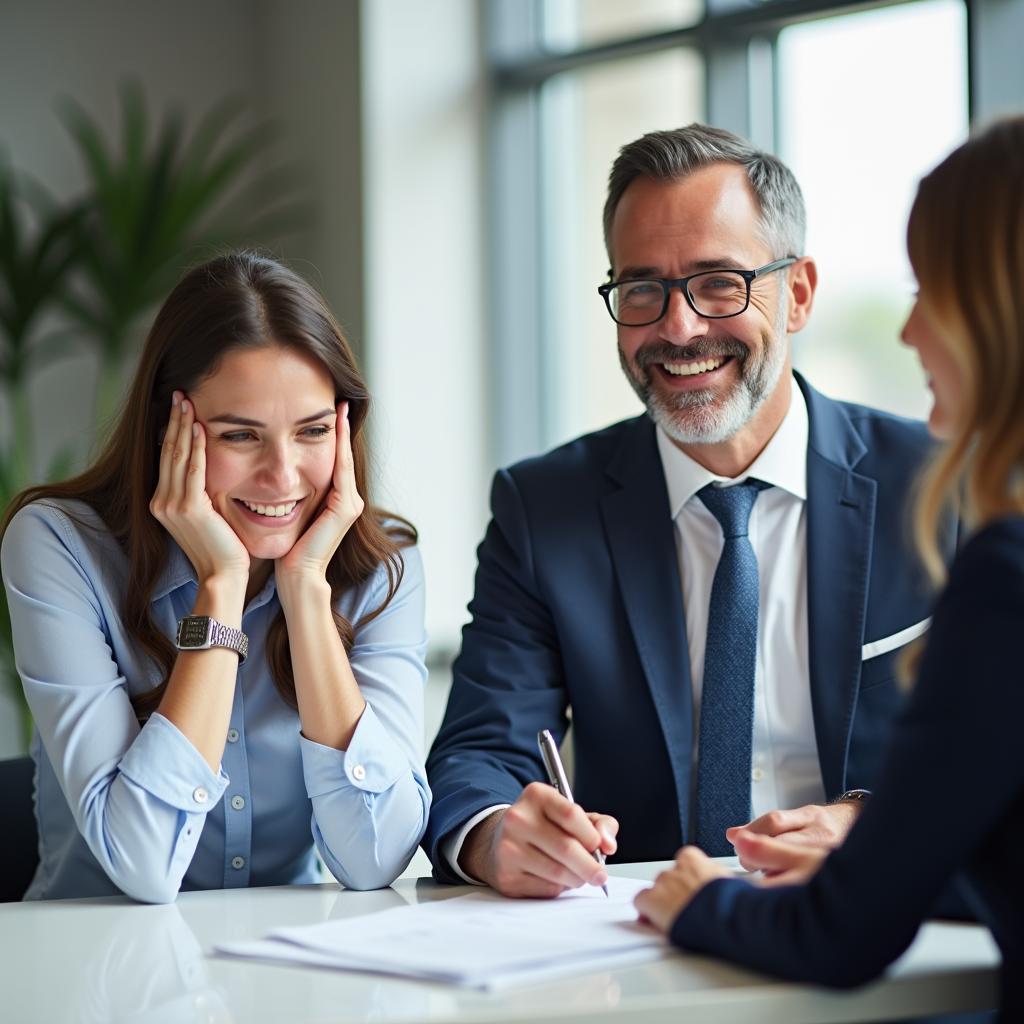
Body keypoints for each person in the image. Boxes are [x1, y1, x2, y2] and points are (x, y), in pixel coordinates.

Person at [425, 123, 952, 897]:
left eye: (718, 283)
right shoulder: (544, 508)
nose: (678, 329)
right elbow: (478, 756)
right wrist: (498, 833)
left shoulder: (943, 484)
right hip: (648, 960)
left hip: (886, 947)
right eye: (642, 289)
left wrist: (877, 823)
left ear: (797, 293)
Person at [634, 116, 1024, 1019]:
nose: (912, 330)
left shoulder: (1002, 564)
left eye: (936, 291)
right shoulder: (546, 503)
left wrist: (704, 903)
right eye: (646, 289)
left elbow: (842, 935)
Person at [1, 252, 430, 903]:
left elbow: (376, 858)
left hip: (284, 971)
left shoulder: (381, 565)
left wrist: (307, 590)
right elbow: (141, 862)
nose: (283, 477)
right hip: (95, 972)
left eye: (312, 431)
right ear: (167, 431)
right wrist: (221, 587)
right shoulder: (61, 544)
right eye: (241, 437)